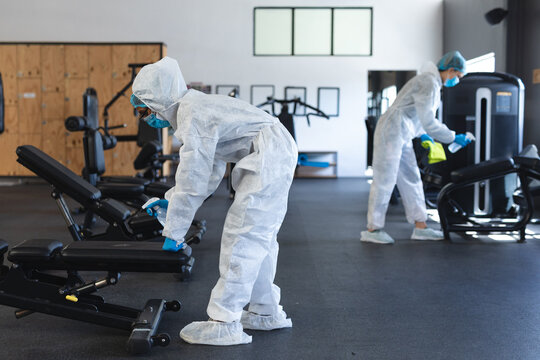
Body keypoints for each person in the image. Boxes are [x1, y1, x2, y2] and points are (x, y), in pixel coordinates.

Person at [130, 57, 298, 345]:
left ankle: (224, 321)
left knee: (243, 235)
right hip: (274, 149)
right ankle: (265, 311)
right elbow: (210, 169)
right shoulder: (195, 108)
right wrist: (172, 203)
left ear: (159, 100)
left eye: (145, 110)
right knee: (260, 237)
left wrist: (174, 230)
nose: (147, 118)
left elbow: (193, 178)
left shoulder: (192, 114)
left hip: (269, 152)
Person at [361, 51, 472, 245]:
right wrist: (453, 137)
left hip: (402, 132)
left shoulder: (432, 82)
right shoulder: (428, 82)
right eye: (458, 76)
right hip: (392, 131)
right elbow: (428, 120)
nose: (457, 81)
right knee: (384, 179)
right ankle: (373, 228)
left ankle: (421, 226)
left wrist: (424, 135)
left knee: (411, 177)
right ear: (451, 70)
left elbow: (417, 114)